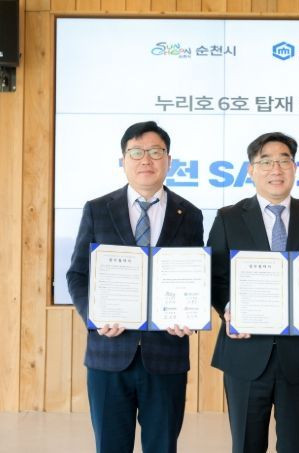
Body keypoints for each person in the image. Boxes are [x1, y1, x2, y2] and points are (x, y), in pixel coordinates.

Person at [66, 121, 204, 453]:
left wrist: (192, 315)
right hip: (108, 354)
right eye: (137, 152)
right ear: (123, 159)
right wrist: (94, 316)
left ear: (169, 160)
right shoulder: (97, 209)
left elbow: (197, 276)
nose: (146, 160)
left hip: (167, 355)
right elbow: (77, 274)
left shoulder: (190, 214)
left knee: (162, 446)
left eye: (155, 152)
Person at [206, 132, 299, 453]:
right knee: (246, 445)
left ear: (295, 168)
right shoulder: (228, 218)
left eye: (283, 160)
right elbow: (214, 277)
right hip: (245, 353)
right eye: (265, 162)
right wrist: (228, 307)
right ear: (251, 170)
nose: (275, 169)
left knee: (296, 446)